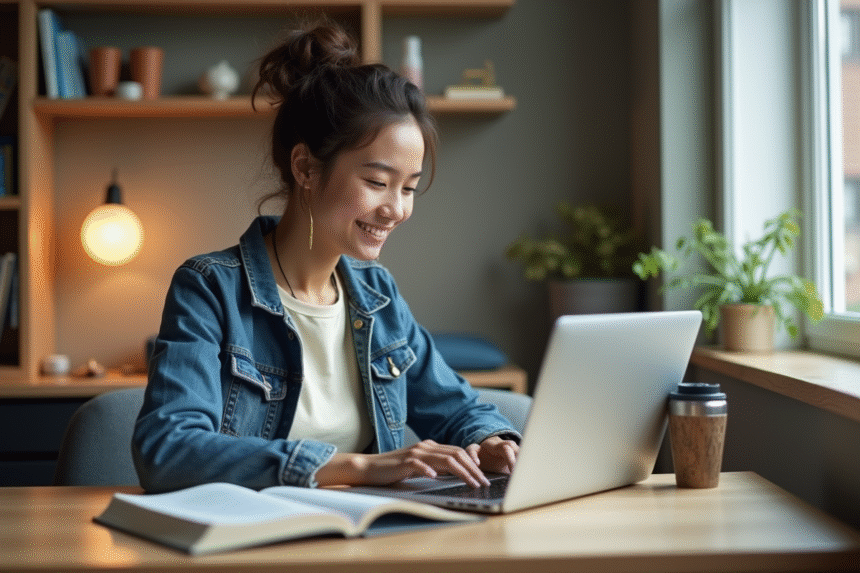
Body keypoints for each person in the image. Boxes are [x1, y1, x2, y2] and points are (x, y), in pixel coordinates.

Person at [132, 21, 521, 493]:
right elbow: (168, 450)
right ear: (305, 168)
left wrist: (495, 440)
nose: (396, 209)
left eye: (410, 187)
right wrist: (356, 467)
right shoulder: (209, 288)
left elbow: (456, 405)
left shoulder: (377, 294)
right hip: (251, 543)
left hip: (366, 537)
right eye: (377, 182)